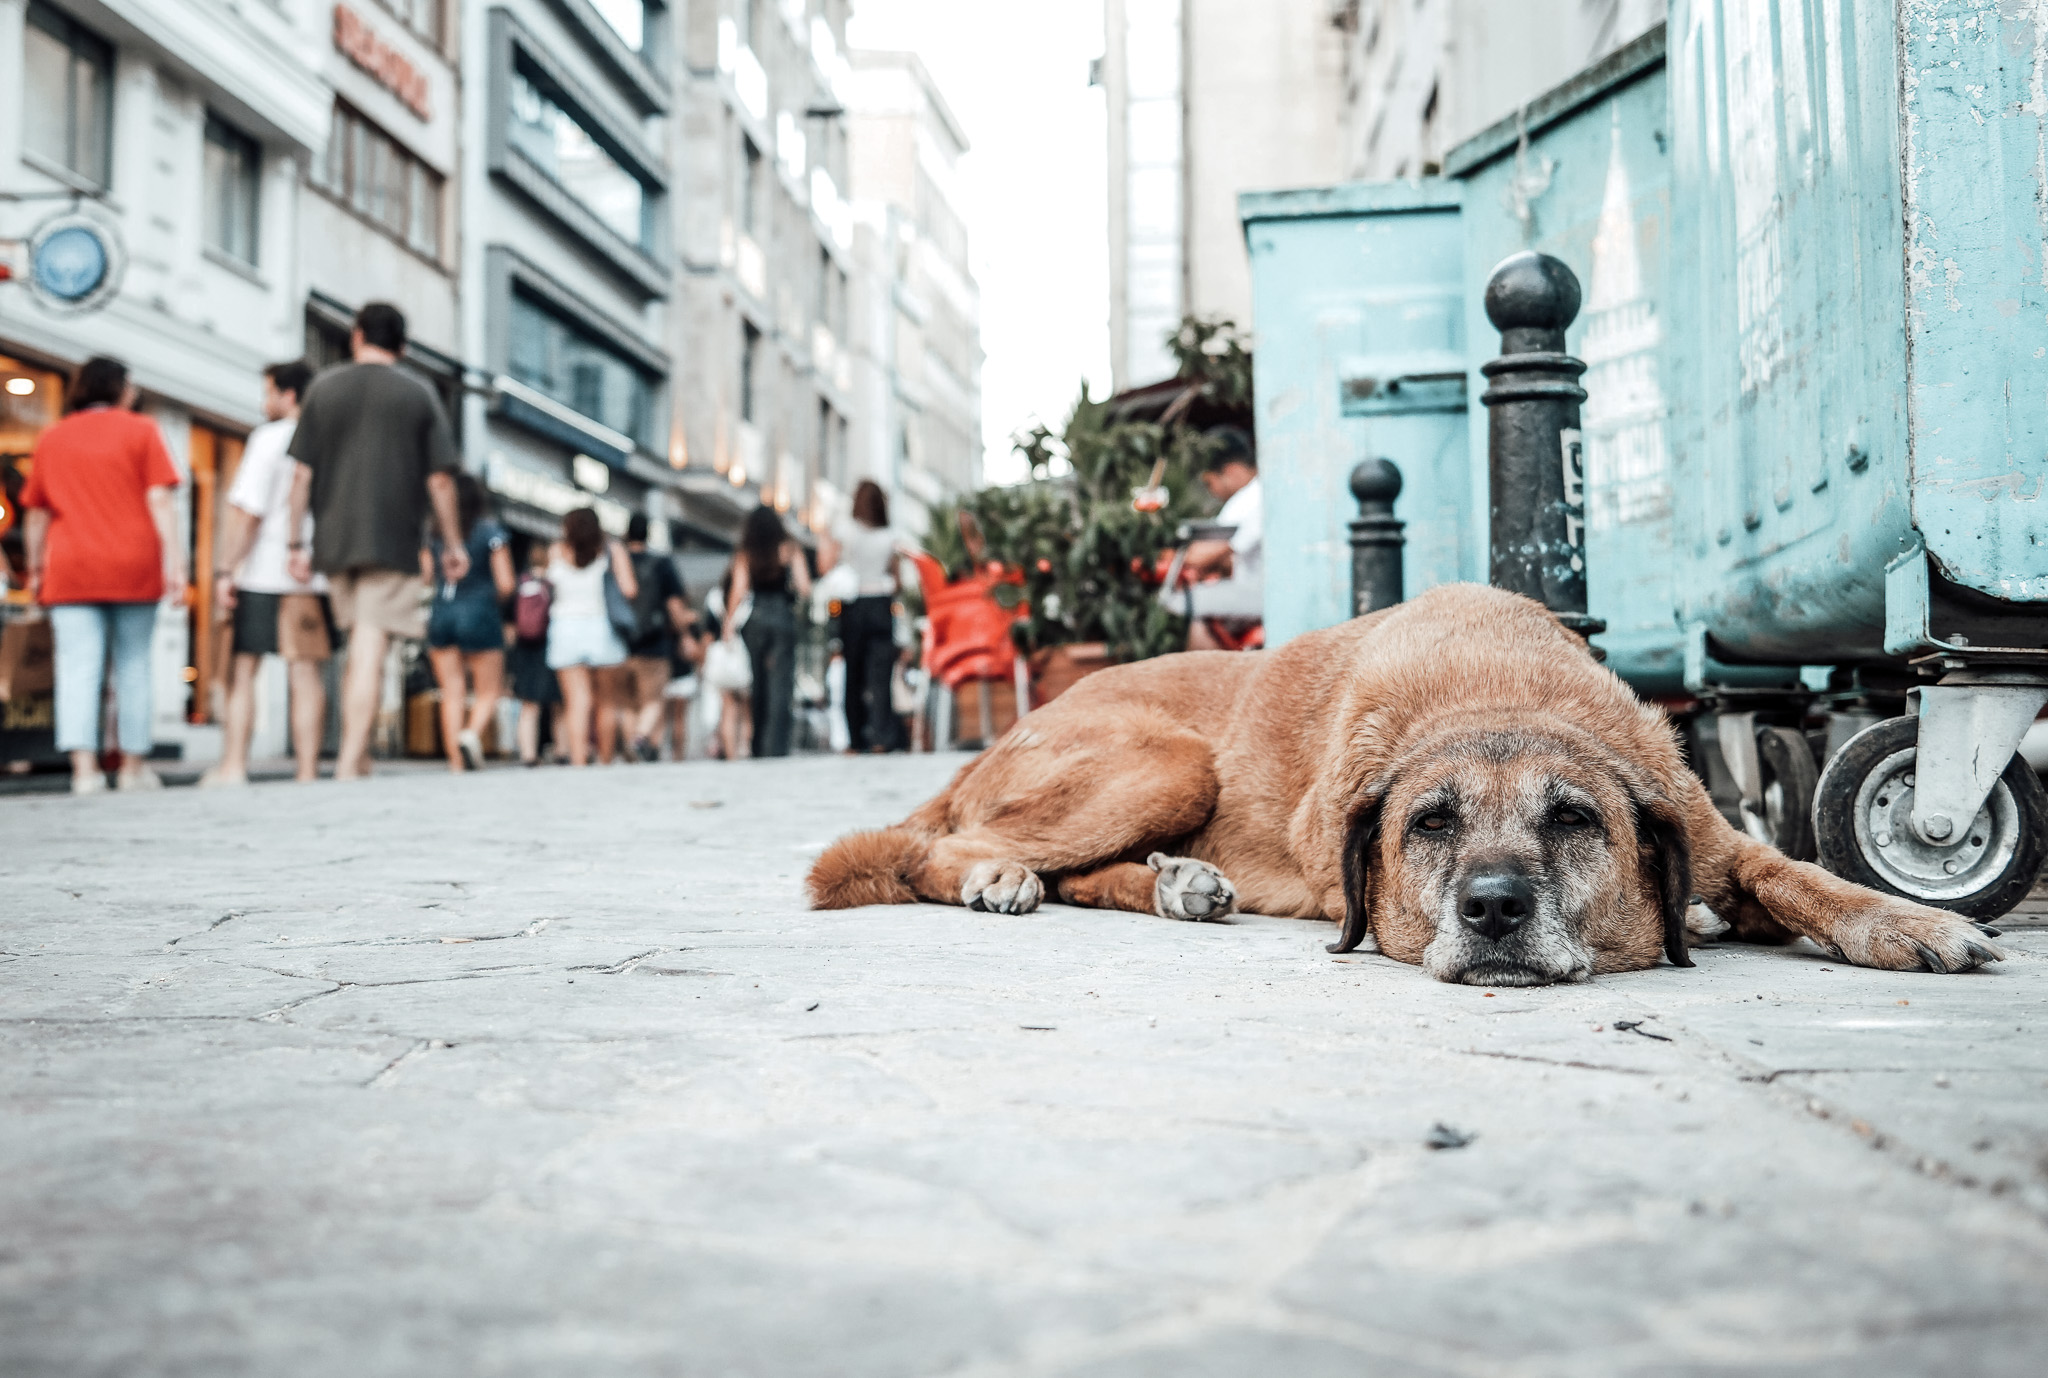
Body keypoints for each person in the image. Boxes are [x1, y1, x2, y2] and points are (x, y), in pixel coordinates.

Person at [284, 302, 466, 780]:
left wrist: (294, 545)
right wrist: (453, 544)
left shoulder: (323, 387)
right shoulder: (419, 393)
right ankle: (349, 760)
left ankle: (358, 756)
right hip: (392, 538)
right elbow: (441, 482)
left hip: (333, 540)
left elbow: (301, 475)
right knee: (370, 646)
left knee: (357, 644)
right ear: (402, 346)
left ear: (357, 336)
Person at [19, 356, 183, 794]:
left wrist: (35, 569)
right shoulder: (143, 431)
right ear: (120, 389)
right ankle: (131, 767)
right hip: (134, 563)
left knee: (78, 667)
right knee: (132, 666)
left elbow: (36, 513)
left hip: (71, 569)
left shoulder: (53, 437)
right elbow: (161, 502)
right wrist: (177, 565)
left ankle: (85, 770)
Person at [206, 360, 328, 786]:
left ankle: (234, 765)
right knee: (306, 672)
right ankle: (308, 770)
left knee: (244, 671)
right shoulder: (327, 439)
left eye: (269, 391)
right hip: (311, 575)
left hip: (262, 571)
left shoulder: (269, 438)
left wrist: (225, 569)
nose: (264, 401)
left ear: (288, 395)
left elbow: (248, 513)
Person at [422, 473, 514, 772]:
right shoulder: (490, 531)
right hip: (479, 611)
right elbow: (506, 582)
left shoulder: (433, 534)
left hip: (442, 611)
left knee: (452, 691)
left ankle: (455, 763)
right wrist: (490, 600)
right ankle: (470, 734)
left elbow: (425, 575)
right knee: (489, 690)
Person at [817, 480, 907, 753]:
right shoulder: (890, 536)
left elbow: (826, 566)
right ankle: (880, 737)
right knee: (881, 676)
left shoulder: (846, 532)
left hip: (853, 606)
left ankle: (854, 740)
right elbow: (898, 580)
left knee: (852, 674)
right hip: (880, 604)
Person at [546, 507, 637, 767]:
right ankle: (605, 760)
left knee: (576, 701)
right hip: (601, 628)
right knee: (607, 702)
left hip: (564, 629)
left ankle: (579, 761)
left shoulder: (556, 551)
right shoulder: (611, 550)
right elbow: (630, 589)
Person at [725, 504, 811, 757]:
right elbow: (805, 587)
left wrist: (728, 625)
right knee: (780, 686)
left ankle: (758, 747)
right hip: (782, 616)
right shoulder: (789, 548)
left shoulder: (746, 552)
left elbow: (738, 591)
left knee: (757, 684)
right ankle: (777, 747)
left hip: (755, 617)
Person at [1180, 427, 1263, 651]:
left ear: (1232, 471)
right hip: (1256, 594)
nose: (1212, 491)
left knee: (1199, 614)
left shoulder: (1249, 499)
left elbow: (1204, 556)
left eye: (1210, 483)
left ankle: (1202, 682)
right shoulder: (1258, 494)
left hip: (1259, 598)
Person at [620, 513, 693, 762]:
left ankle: (634, 748)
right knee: (653, 700)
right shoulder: (661, 563)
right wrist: (684, 634)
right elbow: (674, 606)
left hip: (620, 642)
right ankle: (641, 740)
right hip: (653, 642)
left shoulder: (617, 561)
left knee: (629, 703)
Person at [506, 544, 561, 766]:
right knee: (560, 704)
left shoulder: (520, 584)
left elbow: (510, 624)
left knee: (529, 705)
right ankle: (563, 751)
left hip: (524, 649)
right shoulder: (554, 585)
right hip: (552, 647)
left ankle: (528, 753)